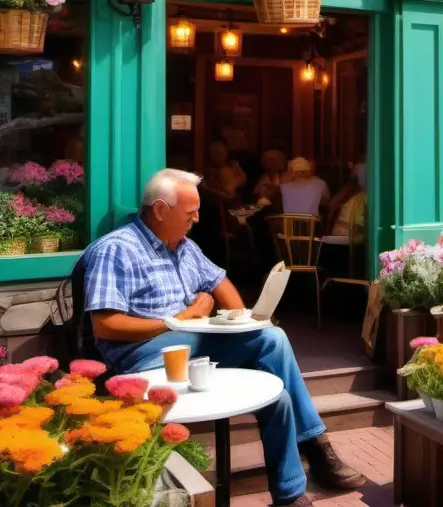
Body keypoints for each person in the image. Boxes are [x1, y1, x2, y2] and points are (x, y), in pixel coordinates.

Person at [80, 169, 363, 507]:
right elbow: (105, 325)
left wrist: (240, 320)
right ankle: (313, 455)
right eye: (190, 213)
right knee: (274, 370)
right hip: (143, 356)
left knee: (272, 348)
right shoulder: (115, 250)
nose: (197, 220)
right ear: (159, 210)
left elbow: (221, 283)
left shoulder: (183, 246)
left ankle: (294, 486)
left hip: (193, 346)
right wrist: (177, 320)